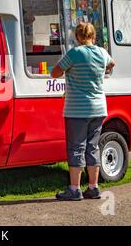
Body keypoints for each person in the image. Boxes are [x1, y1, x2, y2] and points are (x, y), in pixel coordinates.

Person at [50, 22, 116, 201]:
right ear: (93, 36)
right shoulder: (102, 52)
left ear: (78, 37)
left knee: (76, 148)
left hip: (77, 109)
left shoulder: (75, 53)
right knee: (92, 147)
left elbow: (54, 73)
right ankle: (93, 187)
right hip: (99, 107)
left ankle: (74, 189)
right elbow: (112, 64)